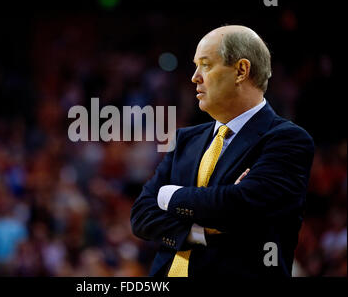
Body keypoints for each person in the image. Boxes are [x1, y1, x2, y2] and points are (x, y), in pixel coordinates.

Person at [130, 25, 315, 277]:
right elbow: (141, 215)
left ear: (241, 71)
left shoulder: (288, 139)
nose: (195, 76)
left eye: (205, 65)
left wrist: (168, 196)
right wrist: (200, 233)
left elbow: (239, 206)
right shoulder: (186, 139)